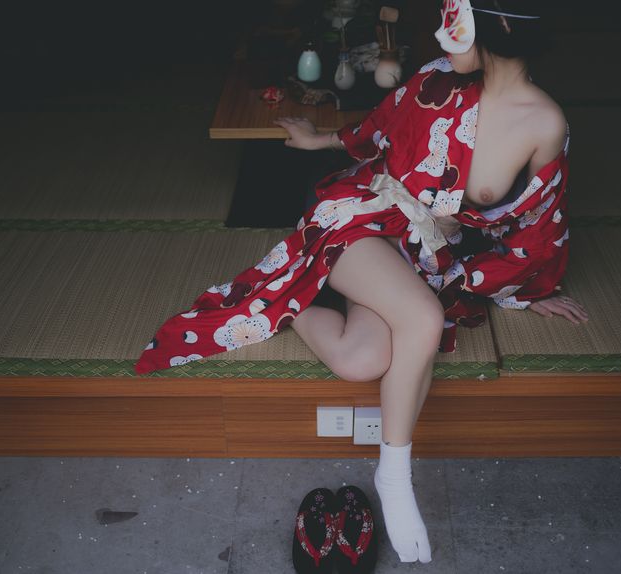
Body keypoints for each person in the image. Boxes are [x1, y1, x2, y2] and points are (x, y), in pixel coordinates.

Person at [136, 0, 588, 564]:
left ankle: (295, 295)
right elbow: (379, 130)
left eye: (454, 20)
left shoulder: (545, 123)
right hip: (361, 216)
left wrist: (531, 287)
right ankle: (394, 475)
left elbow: (539, 217)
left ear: (496, 26)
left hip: (424, 251)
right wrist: (320, 142)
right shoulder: (436, 79)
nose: (441, 35)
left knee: (360, 360)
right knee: (422, 319)